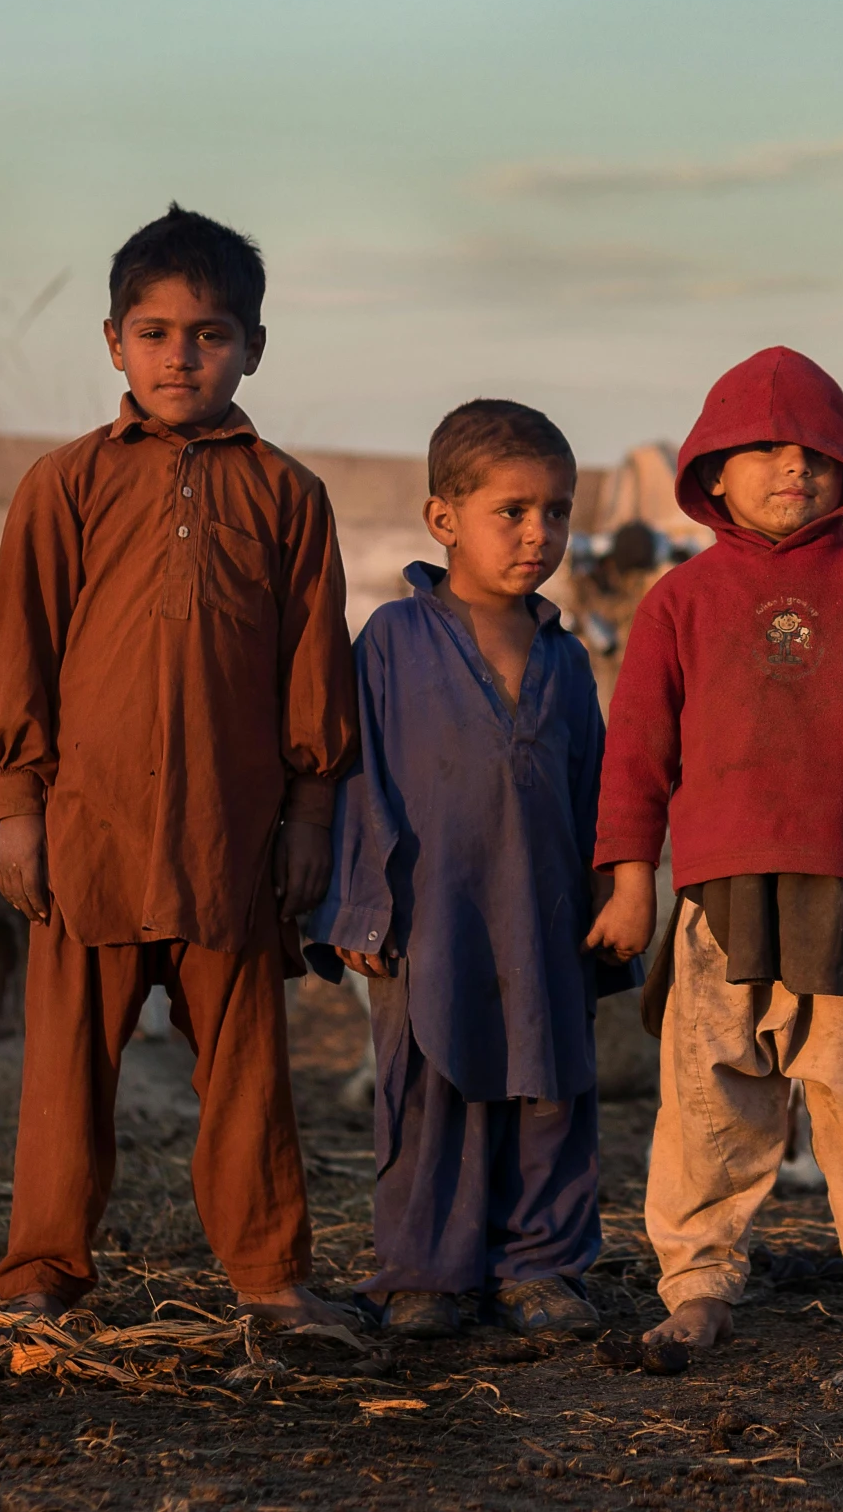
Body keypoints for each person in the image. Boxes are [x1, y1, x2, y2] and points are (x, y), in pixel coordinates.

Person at [0, 204, 357, 1327]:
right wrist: (15, 807)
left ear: (253, 347)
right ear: (111, 344)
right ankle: (41, 1276)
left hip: (228, 834)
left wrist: (313, 813)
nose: (180, 355)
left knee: (245, 1075)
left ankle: (272, 1279)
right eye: (154, 332)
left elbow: (312, 667)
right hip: (87, 829)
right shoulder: (65, 484)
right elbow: (20, 651)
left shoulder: (288, 496)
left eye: (210, 333)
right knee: (63, 1075)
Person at [585, 346, 843, 1353]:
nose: (791, 467)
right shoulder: (677, 601)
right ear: (711, 471)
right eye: (761, 448)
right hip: (717, 889)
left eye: (814, 449)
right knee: (710, 1087)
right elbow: (635, 754)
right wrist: (631, 882)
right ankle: (698, 1279)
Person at [305, 400, 629, 1341]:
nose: (541, 534)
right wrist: (360, 907)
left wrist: (616, 890)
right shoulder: (392, 645)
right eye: (514, 510)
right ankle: (427, 1271)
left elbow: (595, 789)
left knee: (549, 1084)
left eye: (559, 511)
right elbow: (358, 780)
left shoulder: (567, 661)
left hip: (545, 909)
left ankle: (539, 1266)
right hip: (427, 915)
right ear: (443, 518)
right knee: (428, 1089)